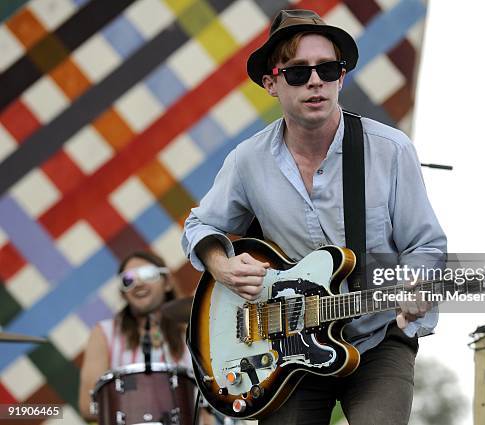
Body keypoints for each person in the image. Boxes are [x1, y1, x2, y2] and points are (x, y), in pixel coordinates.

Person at [181, 9, 446, 425]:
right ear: (271, 83)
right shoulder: (248, 160)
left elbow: (425, 245)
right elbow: (200, 225)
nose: (315, 81)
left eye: (327, 69)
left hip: (377, 336)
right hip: (284, 348)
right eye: (298, 73)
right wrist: (223, 266)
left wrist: (415, 285)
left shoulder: (391, 150)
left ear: (341, 78)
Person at [77, 251, 197, 421]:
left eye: (148, 274)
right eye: (128, 280)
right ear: (123, 293)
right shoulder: (104, 333)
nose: (138, 283)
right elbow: (88, 406)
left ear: (168, 282)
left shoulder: (194, 327)